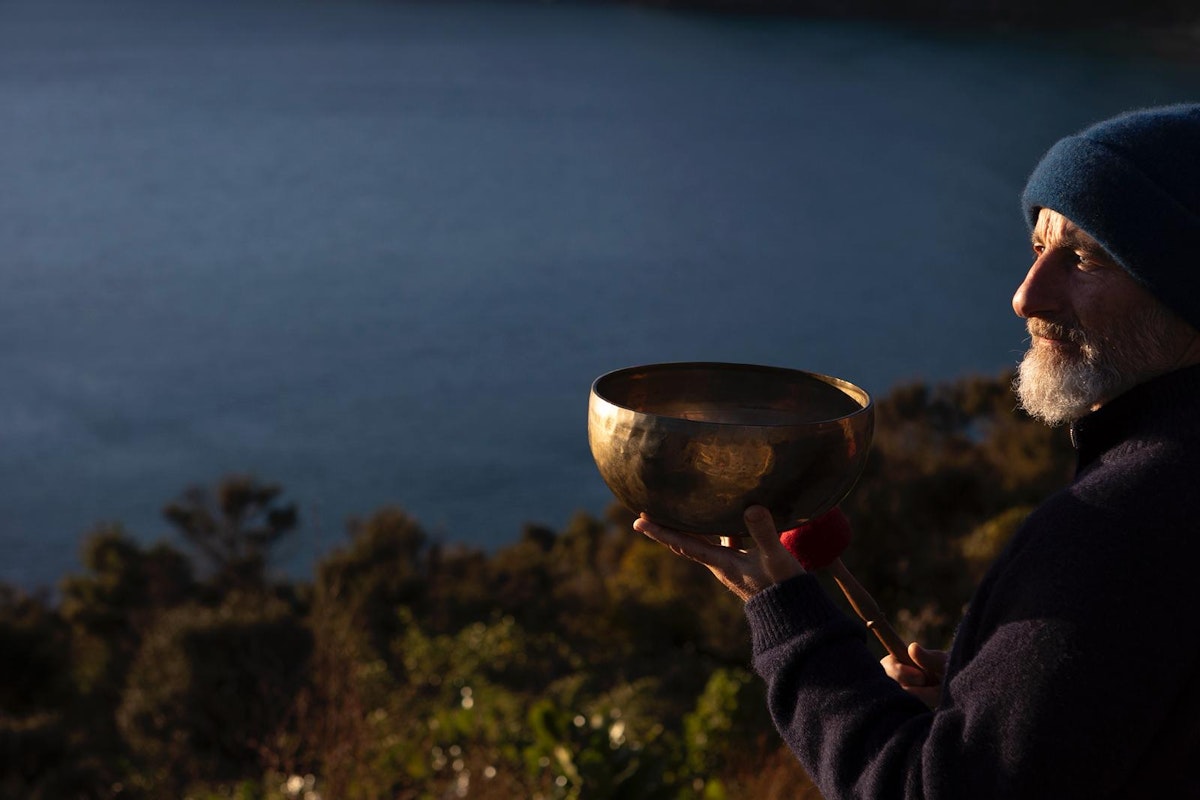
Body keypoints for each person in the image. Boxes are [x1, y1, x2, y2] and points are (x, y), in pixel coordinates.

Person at [634, 103, 1200, 799]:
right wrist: (991, 697)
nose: (1027, 297)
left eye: (1084, 259)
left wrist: (787, 616)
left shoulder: (1124, 529)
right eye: (1038, 248)